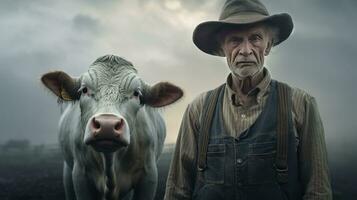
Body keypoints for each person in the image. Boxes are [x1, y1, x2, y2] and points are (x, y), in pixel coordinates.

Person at [164, 0, 332, 199]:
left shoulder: (301, 104)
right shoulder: (198, 109)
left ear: (268, 46)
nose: (245, 50)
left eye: (255, 38)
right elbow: (177, 191)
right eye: (235, 40)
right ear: (222, 48)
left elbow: (318, 191)